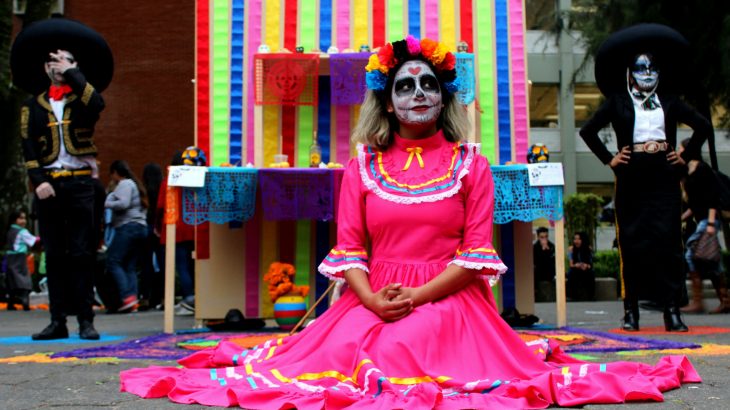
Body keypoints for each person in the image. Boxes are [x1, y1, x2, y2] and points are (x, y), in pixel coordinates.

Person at [120, 36, 699, 408]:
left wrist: (416, 295)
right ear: (387, 100)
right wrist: (372, 300)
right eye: (404, 85)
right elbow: (347, 250)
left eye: (428, 84)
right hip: (369, 296)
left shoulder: (471, 163)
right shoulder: (362, 164)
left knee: (409, 348)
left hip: (450, 297)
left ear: (442, 98)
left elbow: (476, 257)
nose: (417, 93)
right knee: (341, 361)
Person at [580, 25, 712, 332]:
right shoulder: (617, 100)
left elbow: (703, 126)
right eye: (641, 68)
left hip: (664, 174)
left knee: (669, 242)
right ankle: (631, 312)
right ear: (630, 73)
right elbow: (588, 130)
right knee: (631, 241)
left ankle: (672, 311)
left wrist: (687, 153)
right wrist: (609, 159)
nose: (647, 73)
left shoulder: (670, 100)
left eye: (652, 67)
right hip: (631, 174)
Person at [12, 18, 114, 340]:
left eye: (63, 60)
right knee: (54, 255)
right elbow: (28, 145)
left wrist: (72, 72)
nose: (56, 66)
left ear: (74, 65)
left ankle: (86, 320)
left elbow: (97, 103)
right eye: (52, 62)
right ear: (43, 69)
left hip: (81, 182)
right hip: (49, 186)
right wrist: (37, 179)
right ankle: (58, 321)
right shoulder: (33, 106)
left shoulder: (82, 99)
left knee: (82, 253)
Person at [678, 139, 730, 314]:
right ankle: (725, 300)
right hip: (701, 219)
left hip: (708, 220)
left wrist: (710, 223)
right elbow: (696, 204)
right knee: (711, 259)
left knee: (691, 254)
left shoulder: (702, 169)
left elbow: (712, 198)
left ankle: (698, 302)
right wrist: (682, 218)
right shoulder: (688, 172)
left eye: (681, 148)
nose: (679, 150)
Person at [104, 160, 148, 313]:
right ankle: (133, 299)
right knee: (129, 265)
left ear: (116, 172)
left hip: (128, 227)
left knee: (113, 261)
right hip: (140, 228)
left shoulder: (124, 184)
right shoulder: (135, 185)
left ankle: (127, 296)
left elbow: (123, 203)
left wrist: (107, 202)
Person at [155, 150, 196, 313]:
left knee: (181, 266)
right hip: (192, 227)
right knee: (192, 264)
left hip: (175, 227)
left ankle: (189, 298)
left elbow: (160, 207)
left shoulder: (169, 182)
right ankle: (194, 297)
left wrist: (157, 227)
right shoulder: (193, 181)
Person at [138, 163, 164, 310]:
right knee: (162, 263)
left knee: (146, 264)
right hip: (159, 229)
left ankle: (145, 297)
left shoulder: (144, 191)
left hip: (146, 227)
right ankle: (163, 297)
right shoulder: (163, 189)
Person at [4, 211, 40, 311]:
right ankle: (24, 300)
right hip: (19, 258)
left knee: (11, 279)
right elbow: (33, 240)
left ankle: (11, 302)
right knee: (24, 278)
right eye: (21, 218)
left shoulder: (10, 230)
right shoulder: (22, 232)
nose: (23, 221)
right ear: (15, 220)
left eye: (24, 218)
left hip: (10, 257)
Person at [566, 232, 596, 301]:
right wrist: (577, 265)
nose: (576, 241)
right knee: (571, 273)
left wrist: (586, 265)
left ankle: (591, 295)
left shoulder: (588, 249)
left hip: (585, 269)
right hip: (575, 268)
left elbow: (590, 264)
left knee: (590, 273)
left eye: (578, 239)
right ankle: (571, 296)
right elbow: (571, 264)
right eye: (575, 239)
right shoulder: (571, 249)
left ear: (583, 240)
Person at [533, 226, 556, 302]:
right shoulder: (535, 247)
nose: (544, 239)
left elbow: (552, 261)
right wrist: (542, 251)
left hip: (549, 271)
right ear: (538, 237)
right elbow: (536, 261)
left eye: (546, 237)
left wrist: (547, 251)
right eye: (542, 237)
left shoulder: (552, 246)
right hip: (539, 271)